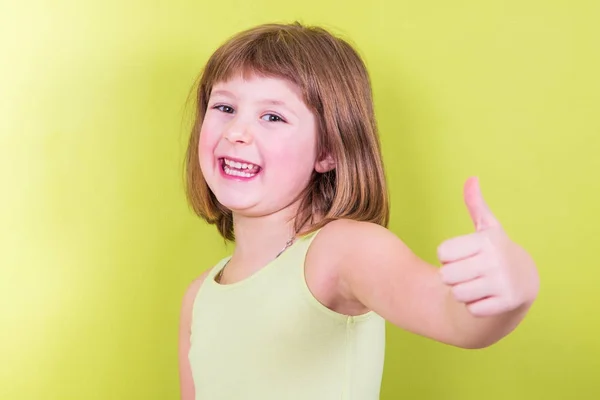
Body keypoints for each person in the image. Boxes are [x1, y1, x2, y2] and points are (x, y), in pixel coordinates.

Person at [178, 22, 540, 400]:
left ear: (327, 151)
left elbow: (453, 317)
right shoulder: (198, 297)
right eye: (224, 107)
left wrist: (516, 283)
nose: (237, 130)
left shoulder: (342, 251)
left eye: (273, 117)